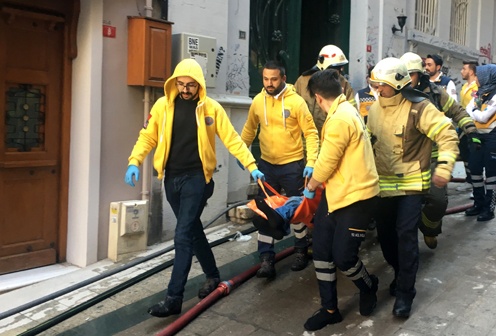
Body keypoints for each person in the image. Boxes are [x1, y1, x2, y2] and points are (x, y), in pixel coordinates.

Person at [124, 58, 263, 317]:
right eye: (181, 84)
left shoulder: (210, 108)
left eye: (190, 85)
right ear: (174, 83)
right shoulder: (162, 106)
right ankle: (212, 276)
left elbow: (231, 137)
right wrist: (135, 161)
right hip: (171, 179)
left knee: (183, 235)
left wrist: (251, 164)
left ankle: (174, 297)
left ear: (199, 85)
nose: (185, 89)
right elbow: (148, 136)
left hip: (198, 179)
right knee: (192, 229)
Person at [368, 57, 459, 318]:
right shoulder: (375, 109)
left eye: (381, 85)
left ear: (396, 84)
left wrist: (443, 168)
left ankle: (406, 293)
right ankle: (399, 273)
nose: (376, 89)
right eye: (375, 84)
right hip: (383, 189)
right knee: (387, 241)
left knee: (406, 237)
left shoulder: (420, 108)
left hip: (411, 187)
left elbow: (447, 135)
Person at [302, 69, 380, 331]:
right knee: (322, 253)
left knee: (344, 257)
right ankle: (330, 308)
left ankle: (369, 285)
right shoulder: (344, 110)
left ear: (317, 98)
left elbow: (328, 161)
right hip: (336, 195)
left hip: (356, 197)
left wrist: (311, 184)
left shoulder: (340, 119)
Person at [240, 60, 319, 279]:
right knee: (265, 212)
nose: (269, 83)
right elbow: (249, 129)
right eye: (266, 79)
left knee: (298, 212)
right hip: (266, 166)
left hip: (293, 165)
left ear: (283, 78)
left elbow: (311, 133)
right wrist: (242, 152)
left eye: (274, 79)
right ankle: (266, 259)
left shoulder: (297, 103)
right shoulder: (258, 101)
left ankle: (301, 251)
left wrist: (311, 162)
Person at [400, 52, 476, 249]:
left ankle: (430, 228)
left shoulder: (434, 93)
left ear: (420, 74)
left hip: (432, 156)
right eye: (403, 74)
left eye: (412, 75)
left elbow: (456, 111)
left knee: (438, 201)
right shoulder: (394, 94)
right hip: (404, 158)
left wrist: (470, 129)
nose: (408, 80)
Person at [463, 64, 496, 221]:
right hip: (479, 137)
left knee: (491, 173)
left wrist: (474, 112)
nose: (476, 78)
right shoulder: (478, 93)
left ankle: (489, 209)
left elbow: (482, 117)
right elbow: (467, 110)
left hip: (495, 139)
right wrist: (475, 112)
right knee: (475, 170)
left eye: (478, 75)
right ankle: (478, 204)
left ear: (486, 77)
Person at [294, 44, 356, 133]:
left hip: (331, 136)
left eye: (340, 68)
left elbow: (351, 113)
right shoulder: (303, 81)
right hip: (306, 137)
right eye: (335, 68)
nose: (339, 71)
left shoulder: (343, 83)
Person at [459, 60, 480, 191]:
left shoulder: (476, 88)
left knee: (473, 153)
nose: (462, 71)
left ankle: (475, 183)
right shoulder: (464, 87)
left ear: (471, 71)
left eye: (464, 69)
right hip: (462, 125)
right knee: (464, 151)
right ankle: (468, 179)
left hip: (473, 125)